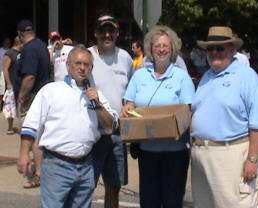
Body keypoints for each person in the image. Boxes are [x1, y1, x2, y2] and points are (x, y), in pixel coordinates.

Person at [17, 45, 118, 208]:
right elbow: (31, 125)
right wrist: (23, 154)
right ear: (68, 65)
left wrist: (97, 104)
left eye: (86, 64)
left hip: (85, 166)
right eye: (78, 63)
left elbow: (110, 127)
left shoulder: (96, 95)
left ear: (91, 68)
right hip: (57, 165)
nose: (82, 68)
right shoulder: (51, 91)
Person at [191, 26, 258, 208]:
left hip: (231, 157)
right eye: (210, 48)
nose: (214, 53)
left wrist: (252, 159)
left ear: (232, 50)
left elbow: (257, 123)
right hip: (201, 157)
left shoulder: (247, 76)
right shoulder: (206, 77)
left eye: (220, 48)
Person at [121, 25, 195, 208]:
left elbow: (188, 111)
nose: (161, 50)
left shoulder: (181, 77)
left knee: (172, 202)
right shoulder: (139, 76)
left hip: (175, 153)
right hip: (147, 152)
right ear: (150, 50)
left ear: (172, 49)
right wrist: (128, 107)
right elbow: (128, 102)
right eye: (157, 46)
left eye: (165, 46)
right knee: (149, 202)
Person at [88, 14, 134, 208]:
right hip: (92, 134)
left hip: (117, 133)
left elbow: (131, 92)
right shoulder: (86, 57)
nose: (107, 35)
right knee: (86, 185)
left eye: (111, 31)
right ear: (95, 33)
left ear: (117, 33)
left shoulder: (125, 58)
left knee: (114, 186)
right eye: (102, 30)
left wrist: (129, 104)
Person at [15, 19, 50, 188]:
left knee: (32, 136)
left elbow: (29, 76)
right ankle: (39, 171)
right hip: (42, 94)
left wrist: (21, 97)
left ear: (21, 34)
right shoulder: (41, 45)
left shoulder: (29, 49)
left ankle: (38, 174)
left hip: (33, 96)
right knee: (38, 135)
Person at [2, 36, 23, 134]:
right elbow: (5, 69)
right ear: (20, 43)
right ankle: (10, 127)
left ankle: (20, 126)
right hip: (12, 83)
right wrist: (9, 83)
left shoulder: (22, 54)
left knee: (21, 106)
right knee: (10, 106)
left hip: (22, 83)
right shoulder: (9, 54)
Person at [0, 37, 11, 110]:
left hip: (9, 74)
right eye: (6, 42)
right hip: (1, 73)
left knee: (8, 92)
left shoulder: (11, 51)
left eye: (8, 43)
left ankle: (6, 107)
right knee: (1, 92)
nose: (7, 44)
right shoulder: (0, 51)